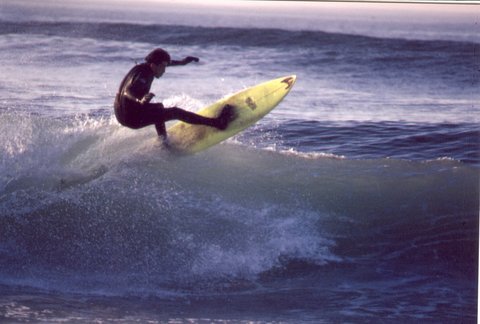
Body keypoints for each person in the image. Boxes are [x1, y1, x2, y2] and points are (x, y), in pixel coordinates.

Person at [114, 48, 234, 139]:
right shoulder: (143, 76)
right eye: (163, 67)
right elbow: (127, 91)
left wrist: (182, 62)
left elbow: (165, 63)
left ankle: (163, 140)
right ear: (154, 65)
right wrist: (139, 100)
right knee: (175, 112)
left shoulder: (144, 67)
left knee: (158, 108)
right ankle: (218, 123)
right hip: (130, 117)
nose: (165, 70)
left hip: (122, 114)